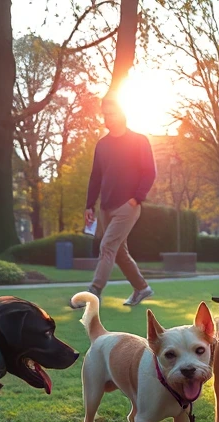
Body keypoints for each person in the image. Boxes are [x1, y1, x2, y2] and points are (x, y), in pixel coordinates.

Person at [71, 97, 156, 308]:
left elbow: (149, 172)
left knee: (107, 246)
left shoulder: (139, 140)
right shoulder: (102, 145)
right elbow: (95, 177)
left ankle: (94, 292)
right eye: (105, 114)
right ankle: (142, 287)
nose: (108, 117)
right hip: (105, 207)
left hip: (127, 206)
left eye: (112, 113)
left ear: (122, 114)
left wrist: (137, 198)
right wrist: (90, 205)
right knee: (119, 252)